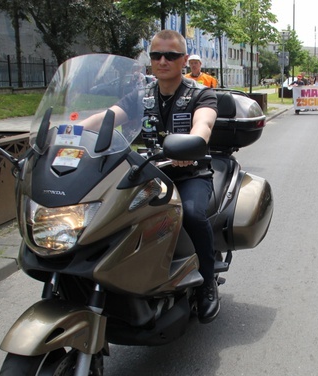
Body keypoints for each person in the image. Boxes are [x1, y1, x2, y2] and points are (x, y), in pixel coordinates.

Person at [83, 30, 220, 323]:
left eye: (170, 55)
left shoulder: (201, 93)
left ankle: (207, 284)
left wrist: (193, 144)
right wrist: (71, 133)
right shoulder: (141, 95)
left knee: (194, 214)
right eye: (156, 55)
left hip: (189, 173)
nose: (162, 61)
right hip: (148, 174)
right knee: (110, 216)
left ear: (184, 60)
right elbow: (108, 117)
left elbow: (204, 125)